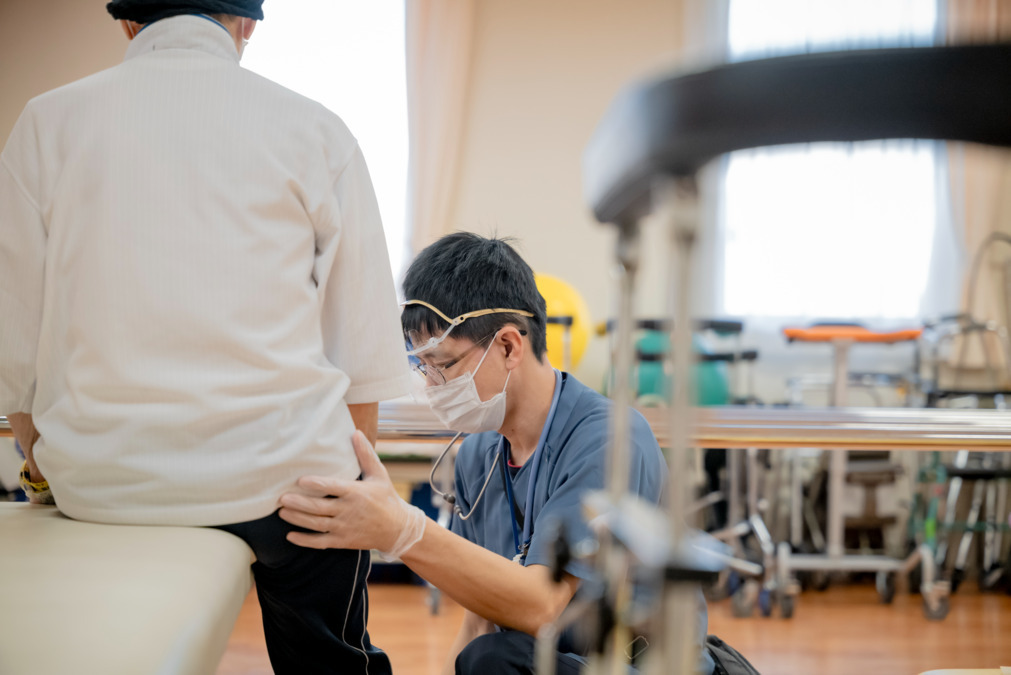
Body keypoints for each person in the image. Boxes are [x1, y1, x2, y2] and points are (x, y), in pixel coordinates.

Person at [0, 1, 411, 673]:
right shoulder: (314, 129)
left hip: (105, 486)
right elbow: (360, 354)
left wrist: (45, 463)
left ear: (128, 21)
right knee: (333, 659)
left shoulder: (46, 123)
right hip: (288, 484)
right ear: (245, 21)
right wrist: (353, 489)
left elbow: (11, 346)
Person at [277, 233, 714, 675]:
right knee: (485, 656)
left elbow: (541, 605)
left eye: (443, 365)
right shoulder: (479, 456)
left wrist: (401, 530)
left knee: (493, 662)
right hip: (555, 659)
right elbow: (481, 620)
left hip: (645, 664)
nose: (431, 385)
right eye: (422, 367)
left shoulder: (607, 438)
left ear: (508, 346)